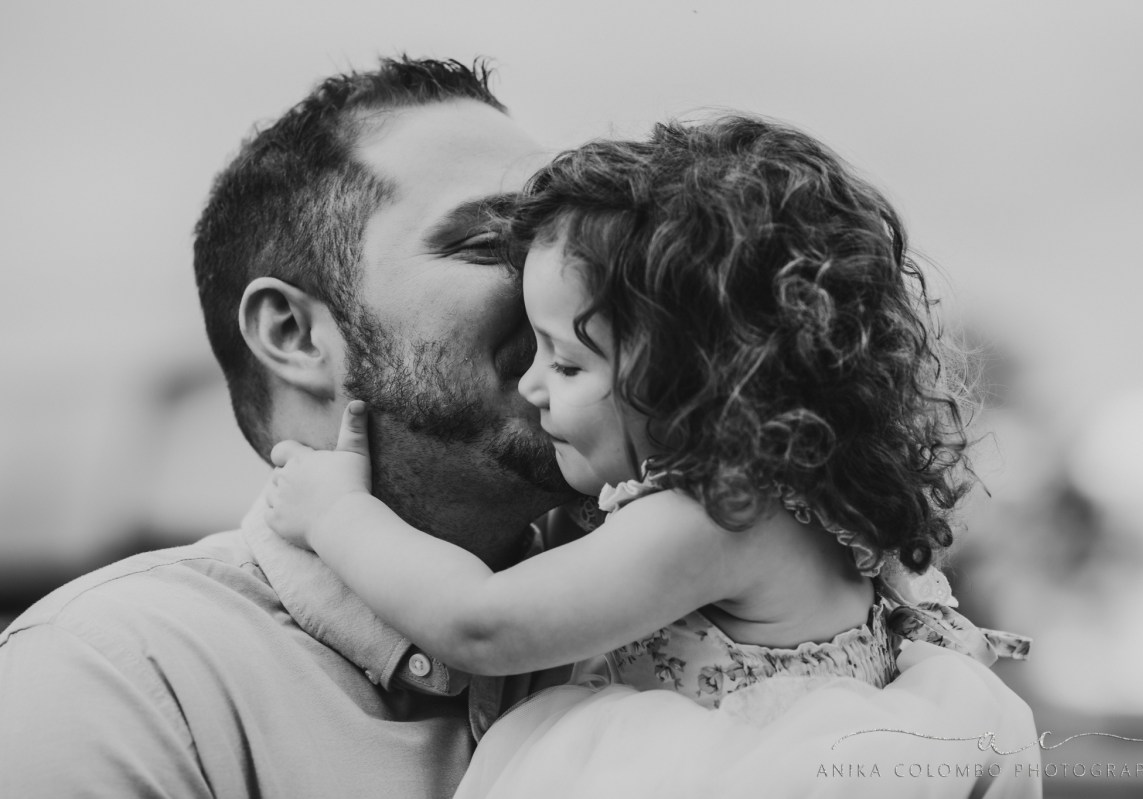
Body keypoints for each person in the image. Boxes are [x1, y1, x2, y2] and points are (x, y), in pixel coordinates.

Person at [265, 116, 1039, 798]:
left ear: (689, 376)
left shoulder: (716, 515)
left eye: (567, 362)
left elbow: (481, 623)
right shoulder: (808, 497)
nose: (531, 383)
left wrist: (338, 513)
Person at [0, 57, 579, 798]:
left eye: (572, 244)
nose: (568, 286)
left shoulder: (679, 614)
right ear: (293, 334)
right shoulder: (117, 676)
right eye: (492, 243)